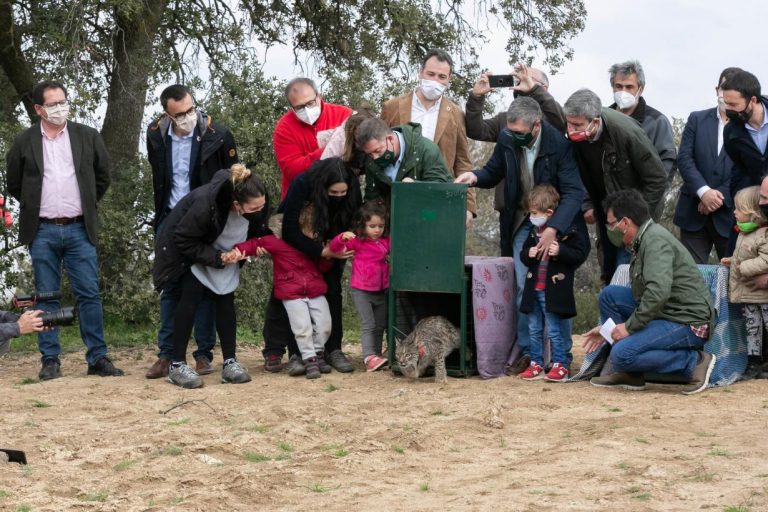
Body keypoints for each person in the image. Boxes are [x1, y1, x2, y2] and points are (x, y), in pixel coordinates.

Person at [454, 97, 585, 374]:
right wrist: (474, 177)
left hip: (556, 222)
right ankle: (530, 353)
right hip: (521, 221)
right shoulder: (506, 138)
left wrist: (553, 229)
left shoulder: (559, 145)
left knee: (557, 290)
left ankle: (563, 356)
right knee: (525, 286)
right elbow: (493, 171)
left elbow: (574, 192)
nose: (513, 136)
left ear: (537, 126)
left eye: (520, 133)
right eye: (510, 131)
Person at [6, 80, 123, 380]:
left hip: (79, 228)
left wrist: (84, 202)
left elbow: (102, 177)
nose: (60, 108)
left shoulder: (87, 135)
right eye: (53, 104)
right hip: (42, 230)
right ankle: (50, 360)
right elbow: (16, 184)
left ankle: (97, 358)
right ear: (38, 109)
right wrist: (37, 206)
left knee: (89, 294)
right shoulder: (24, 141)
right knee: (45, 298)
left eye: (63, 102)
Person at [145, 84, 239, 379]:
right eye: (180, 114)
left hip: (207, 219)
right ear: (167, 114)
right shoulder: (155, 135)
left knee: (206, 285)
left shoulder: (219, 135)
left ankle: (203, 354)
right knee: (172, 287)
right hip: (170, 217)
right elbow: (158, 177)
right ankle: (167, 354)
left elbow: (233, 177)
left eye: (190, 109)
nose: (187, 116)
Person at [582, 189, 716, 395]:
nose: (609, 228)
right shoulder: (644, 238)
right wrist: (607, 330)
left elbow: (657, 293)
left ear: (625, 222)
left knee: (621, 354)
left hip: (687, 321)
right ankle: (631, 374)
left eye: (611, 223)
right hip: (668, 311)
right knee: (610, 296)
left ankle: (694, 362)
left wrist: (629, 327)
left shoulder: (654, 241)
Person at [152, 164, 271, 388]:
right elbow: (183, 238)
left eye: (262, 205)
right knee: (189, 301)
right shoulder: (205, 202)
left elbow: (259, 231)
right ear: (237, 204)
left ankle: (230, 363)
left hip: (227, 254)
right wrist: (217, 256)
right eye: (255, 207)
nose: (261, 210)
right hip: (194, 253)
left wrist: (251, 248)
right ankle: (177, 365)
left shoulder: (257, 201)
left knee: (226, 301)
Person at [261, 158, 362, 374]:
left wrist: (338, 247)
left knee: (332, 289)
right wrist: (320, 250)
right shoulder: (303, 184)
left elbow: (353, 219)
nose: (339, 197)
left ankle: (332, 349)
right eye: (333, 193)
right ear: (323, 187)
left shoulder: (351, 187)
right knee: (291, 293)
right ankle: (294, 353)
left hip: (334, 240)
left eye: (342, 193)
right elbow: (289, 230)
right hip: (299, 238)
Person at [561, 88, 667, 283]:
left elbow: (658, 178)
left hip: (633, 212)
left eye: (577, 125)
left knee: (625, 270)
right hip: (605, 209)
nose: (571, 130)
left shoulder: (627, 133)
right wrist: (587, 204)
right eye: (569, 124)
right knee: (608, 268)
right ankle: (610, 310)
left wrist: (637, 218)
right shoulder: (574, 129)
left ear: (594, 121)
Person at [465, 63, 565, 257]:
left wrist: (535, 91)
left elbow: (563, 123)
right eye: (519, 80)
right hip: (514, 211)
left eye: (529, 80)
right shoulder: (506, 121)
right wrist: (477, 97)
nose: (522, 84)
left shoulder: (549, 122)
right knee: (513, 268)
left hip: (548, 211)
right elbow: (476, 130)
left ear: (543, 89)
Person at [229, 217, 333, 380]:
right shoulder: (277, 242)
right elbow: (255, 244)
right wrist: (236, 251)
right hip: (291, 292)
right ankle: (310, 359)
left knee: (325, 325)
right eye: (311, 230)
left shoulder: (314, 245)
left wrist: (327, 256)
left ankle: (317, 352)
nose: (314, 234)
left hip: (314, 289)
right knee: (302, 327)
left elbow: (322, 266)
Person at [380, 49, 475, 225]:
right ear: (420, 72)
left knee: (432, 246)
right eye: (430, 74)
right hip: (397, 199)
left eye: (441, 76)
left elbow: (463, 162)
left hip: (438, 198)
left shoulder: (456, 114)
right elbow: (377, 151)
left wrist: (468, 206)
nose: (435, 81)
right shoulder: (392, 107)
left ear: (449, 79)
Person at [518, 184, 589, 382]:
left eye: (534, 213)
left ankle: (560, 364)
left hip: (553, 292)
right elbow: (524, 256)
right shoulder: (533, 233)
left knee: (555, 329)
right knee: (534, 329)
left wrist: (561, 251)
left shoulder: (567, 232)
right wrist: (528, 254)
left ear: (549, 213)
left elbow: (577, 254)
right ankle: (536, 364)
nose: (532, 217)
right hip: (534, 291)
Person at [674, 68, 741, 264]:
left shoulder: (747, 128)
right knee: (691, 279)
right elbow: (685, 159)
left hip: (730, 216)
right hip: (693, 214)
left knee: (731, 279)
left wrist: (717, 197)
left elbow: (746, 169)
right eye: (724, 87)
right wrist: (703, 192)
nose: (727, 93)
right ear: (716, 89)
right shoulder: (697, 119)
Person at [329, 202, 391, 372]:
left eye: (381, 226)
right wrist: (341, 238)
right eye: (372, 226)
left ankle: (376, 356)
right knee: (368, 324)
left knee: (380, 324)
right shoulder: (357, 241)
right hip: (362, 290)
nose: (377, 230)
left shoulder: (385, 242)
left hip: (381, 289)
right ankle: (368, 356)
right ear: (362, 225)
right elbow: (335, 248)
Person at [273, 77, 352, 199]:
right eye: (299, 107)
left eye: (310, 103)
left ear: (319, 96)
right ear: (291, 108)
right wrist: (329, 150)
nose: (307, 110)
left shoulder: (344, 115)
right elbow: (293, 171)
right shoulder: (284, 128)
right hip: (302, 197)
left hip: (341, 194)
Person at [720, 186, 768, 376]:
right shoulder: (743, 233)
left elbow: (765, 259)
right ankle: (753, 362)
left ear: (753, 212)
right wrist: (732, 261)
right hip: (749, 296)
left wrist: (742, 267)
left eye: (739, 209)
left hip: (763, 296)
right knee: (752, 328)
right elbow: (746, 255)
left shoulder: (764, 234)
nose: (734, 212)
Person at [355, 118, 453, 204]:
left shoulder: (427, 150)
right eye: (370, 154)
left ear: (390, 139)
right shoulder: (371, 159)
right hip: (390, 219)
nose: (374, 158)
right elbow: (372, 197)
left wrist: (415, 187)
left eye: (378, 151)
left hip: (426, 215)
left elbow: (441, 190)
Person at [607, 60, 677, 181]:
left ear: (640, 89)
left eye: (629, 87)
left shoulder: (657, 122)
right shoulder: (602, 119)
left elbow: (667, 163)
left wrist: (651, 197)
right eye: (618, 86)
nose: (623, 91)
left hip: (641, 197)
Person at [722, 70, 768, 197]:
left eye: (733, 104)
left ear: (752, 100)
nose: (728, 110)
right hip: (757, 204)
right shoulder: (730, 132)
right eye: (726, 104)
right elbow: (739, 169)